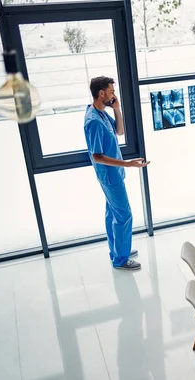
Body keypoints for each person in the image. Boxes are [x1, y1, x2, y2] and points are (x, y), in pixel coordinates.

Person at [84, 76, 149, 271]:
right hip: (110, 176)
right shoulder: (93, 121)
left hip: (114, 174)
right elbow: (97, 156)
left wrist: (117, 109)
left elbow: (119, 131)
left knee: (112, 212)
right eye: (112, 92)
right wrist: (128, 164)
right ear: (101, 93)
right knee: (124, 214)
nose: (114, 95)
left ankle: (117, 250)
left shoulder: (102, 113)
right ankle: (120, 259)